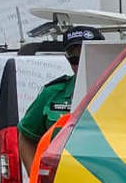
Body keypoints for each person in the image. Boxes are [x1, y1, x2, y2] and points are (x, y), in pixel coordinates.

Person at [17, 27, 98, 173]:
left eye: (88, 57)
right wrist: (37, 180)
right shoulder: (53, 93)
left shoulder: (124, 92)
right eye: (74, 58)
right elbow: (26, 136)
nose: (81, 64)